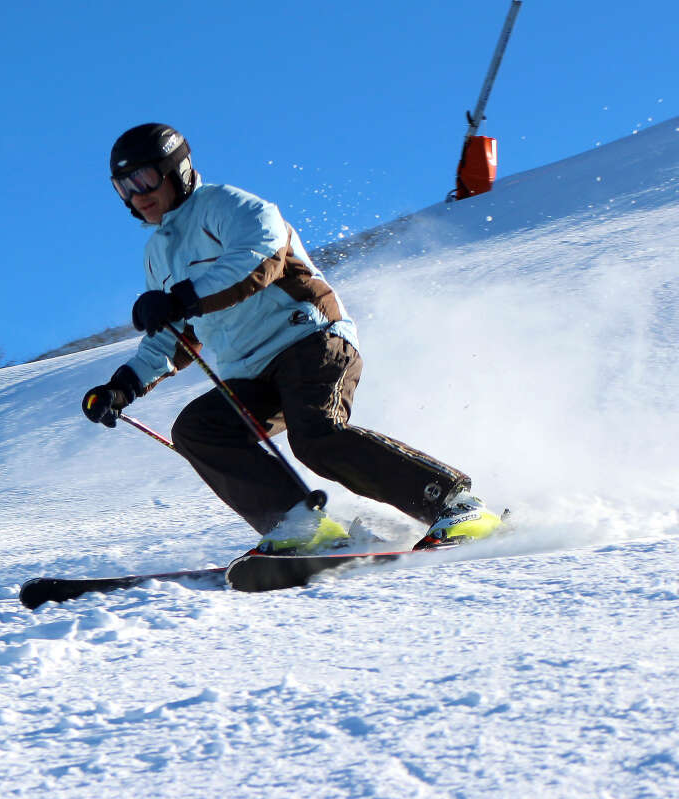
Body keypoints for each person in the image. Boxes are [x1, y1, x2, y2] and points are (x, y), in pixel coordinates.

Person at [81, 122, 502, 554]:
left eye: (145, 178)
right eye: (123, 187)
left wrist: (181, 298)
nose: (137, 194)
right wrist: (122, 385)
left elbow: (257, 260)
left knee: (315, 437)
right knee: (198, 430)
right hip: (250, 373)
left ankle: (456, 504)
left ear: (177, 170)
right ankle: (301, 525)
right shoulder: (157, 255)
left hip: (310, 339)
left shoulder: (229, 207)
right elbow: (171, 339)